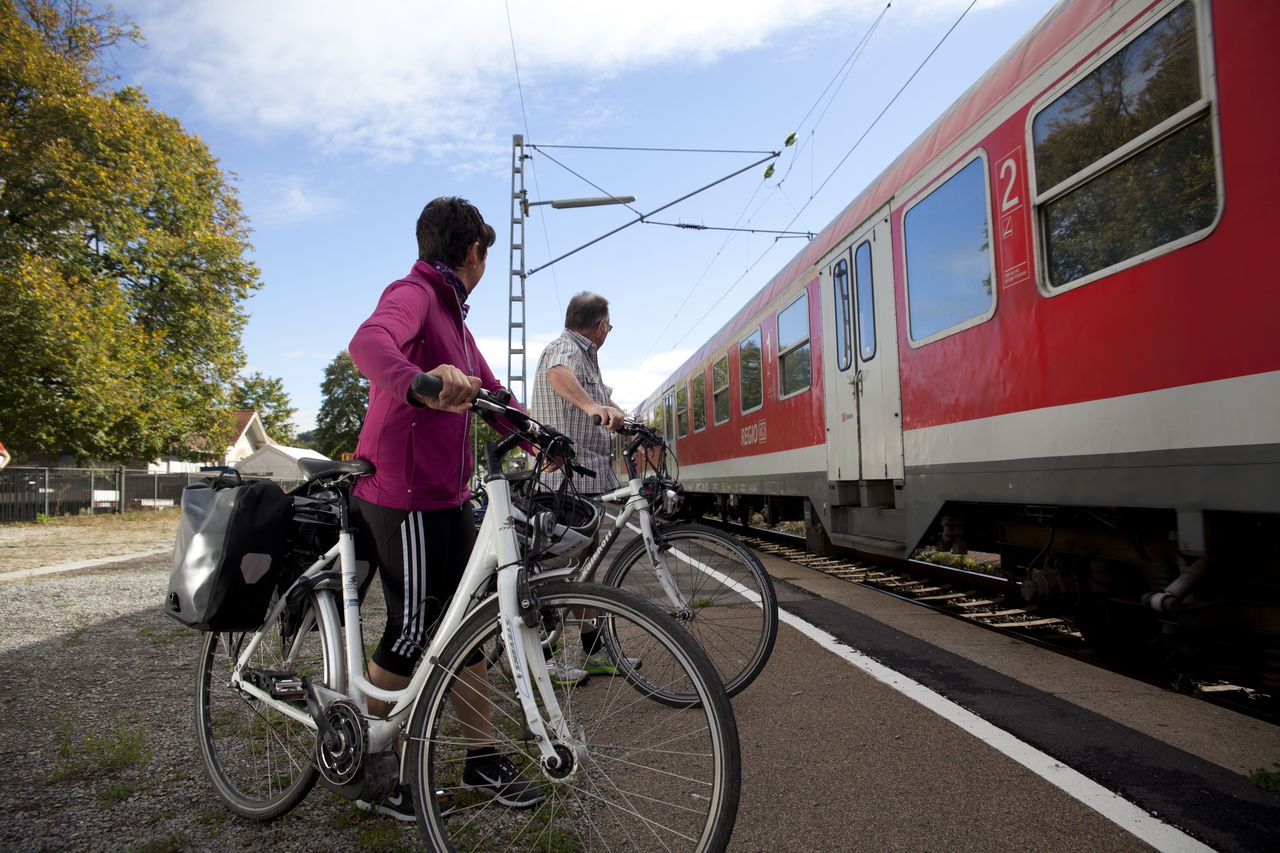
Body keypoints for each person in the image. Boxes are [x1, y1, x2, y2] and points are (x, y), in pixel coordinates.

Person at [346, 196, 541, 820]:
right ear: (475, 253)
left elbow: (496, 392)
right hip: (400, 492)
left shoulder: (456, 321)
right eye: (487, 252)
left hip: (447, 493)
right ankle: (370, 770)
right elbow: (369, 343)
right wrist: (419, 382)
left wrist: (541, 437)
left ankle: (480, 757)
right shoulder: (414, 294)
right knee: (412, 630)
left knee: (465, 627)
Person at [529, 292, 635, 681]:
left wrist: (624, 417)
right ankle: (545, 658)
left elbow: (601, 399)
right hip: (564, 479)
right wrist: (592, 408)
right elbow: (559, 374)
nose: (609, 330)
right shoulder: (565, 349)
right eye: (609, 324)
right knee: (555, 570)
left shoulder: (586, 356)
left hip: (585, 477)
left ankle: (591, 652)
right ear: (600, 324)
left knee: (582, 568)